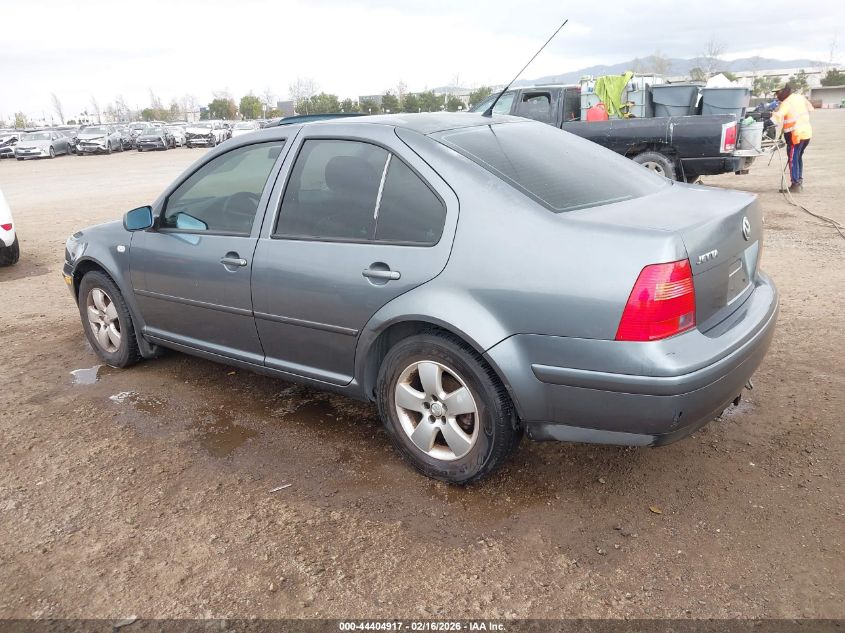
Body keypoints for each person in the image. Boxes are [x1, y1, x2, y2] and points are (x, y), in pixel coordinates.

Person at [771, 83, 813, 193]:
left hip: (795, 136)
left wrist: (767, 122)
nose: (777, 96)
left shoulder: (786, 103)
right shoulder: (800, 97)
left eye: (778, 93)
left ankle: (795, 184)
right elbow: (810, 108)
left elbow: (778, 116)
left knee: (793, 159)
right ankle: (799, 181)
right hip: (806, 133)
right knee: (798, 157)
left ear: (785, 91)